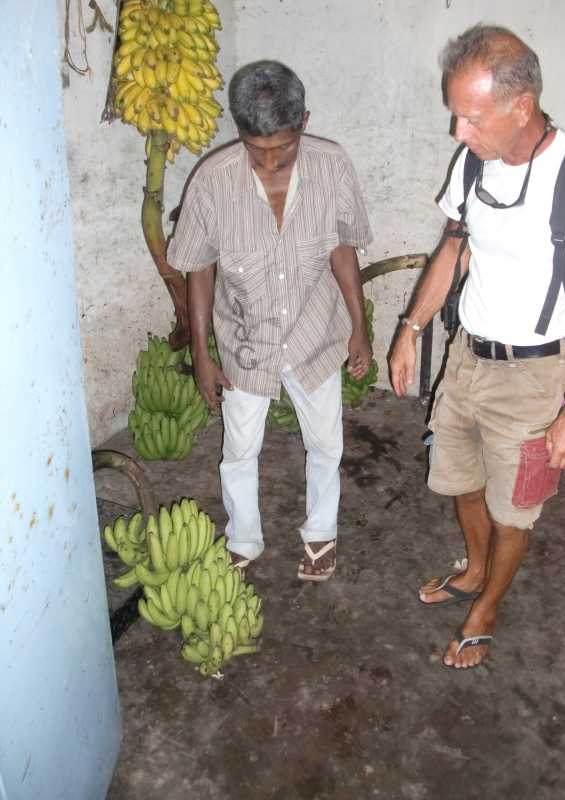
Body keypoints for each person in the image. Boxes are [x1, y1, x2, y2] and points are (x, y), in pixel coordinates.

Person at [389, 24, 565, 669]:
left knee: (515, 511)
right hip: (466, 358)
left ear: (522, 106)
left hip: (537, 377)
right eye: (457, 115)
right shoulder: (474, 162)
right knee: (460, 480)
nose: (459, 132)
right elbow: (454, 247)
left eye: (472, 119)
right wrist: (411, 328)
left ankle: (488, 606)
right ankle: (475, 567)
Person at [168, 60, 372, 581]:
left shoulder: (332, 165)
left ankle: (321, 533)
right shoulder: (213, 180)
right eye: (257, 151)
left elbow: (343, 248)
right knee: (239, 449)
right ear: (239, 131)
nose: (271, 162)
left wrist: (360, 327)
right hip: (245, 338)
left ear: (304, 122)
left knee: (325, 443)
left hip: (314, 332)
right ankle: (243, 538)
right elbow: (198, 268)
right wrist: (201, 354)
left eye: (284, 147)